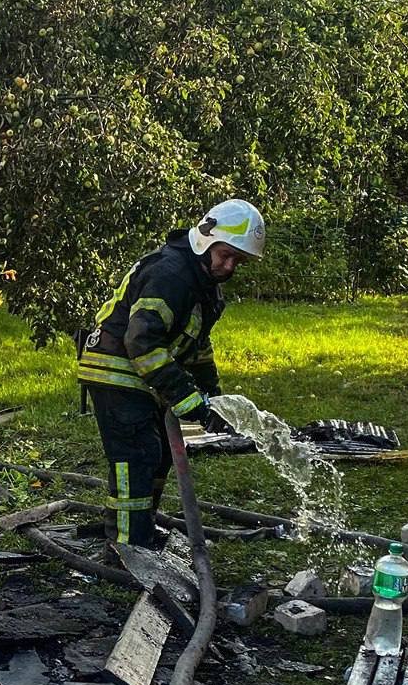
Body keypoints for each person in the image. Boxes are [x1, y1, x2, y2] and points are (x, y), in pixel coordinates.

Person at [77, 199, 266, 547]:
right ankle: (127, 545)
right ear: (206, 240)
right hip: (115, 368)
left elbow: (197, 348)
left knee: (160, 451)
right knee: (135, 456)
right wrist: (184, 397)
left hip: (140, 375)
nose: (228, 267)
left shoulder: (203, 285)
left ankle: (141, 528)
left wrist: (216, 399)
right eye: (225, 255)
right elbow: (141, 341)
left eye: (237, 261)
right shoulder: (172, 274)